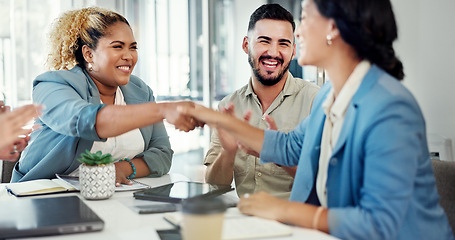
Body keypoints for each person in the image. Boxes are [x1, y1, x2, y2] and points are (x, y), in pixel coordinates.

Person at [179, 0, 454, 239]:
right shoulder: (329, 97)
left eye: (306, 17)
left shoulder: (391, 107)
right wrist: (211, 116)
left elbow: (379, 224)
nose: (297, 32)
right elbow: (288, 146)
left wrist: (285, 209)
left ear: (333, 27)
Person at [11, 7, 201, 184]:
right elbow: (87, 120)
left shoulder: (140, 90)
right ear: (89, 54)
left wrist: (123, 169)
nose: (129, 56)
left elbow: (162, 154)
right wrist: (163, 109)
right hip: (44, 195)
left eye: (133, 47)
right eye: (118, 47)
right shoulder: (53, 85)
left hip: (115, 196)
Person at [204, 3, 319, 199]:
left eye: (283, 43)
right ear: (246, 45)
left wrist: (277, 152)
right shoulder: (227, 106)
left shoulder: (314, 101)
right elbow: (216, 184)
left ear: (293, 51)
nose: (273, 53)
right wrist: (228, 152)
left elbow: (324, 184)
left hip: (296, 221)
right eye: (264, 41)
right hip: (246, 219)